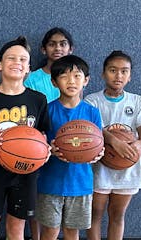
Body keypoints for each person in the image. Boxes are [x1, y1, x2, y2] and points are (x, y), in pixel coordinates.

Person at [0, 36, 50, 240]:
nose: (17, 63)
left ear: (28, 68)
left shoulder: (38, 100)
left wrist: (44, 150)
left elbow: (43, 135)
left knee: (16, 228)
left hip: (26, 172)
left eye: (23, 60)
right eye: (11, 58)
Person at [35, 55, 103, 240]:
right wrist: (49, 149)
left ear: (86, 80)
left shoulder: (92, 112)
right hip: (51, 182)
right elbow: (38, 144)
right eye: (64, 76)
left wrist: (97, 153)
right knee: (49, 231)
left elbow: (98, 144)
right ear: (54, 82)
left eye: (76, 76)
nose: (71, 81)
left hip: (80, 183)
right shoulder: (47, 110)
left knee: (72, 232)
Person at [85, 51, 141, 240]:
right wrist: (114, 141)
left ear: (130, 76)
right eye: (113, 70)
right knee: (95, 214)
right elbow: (93, 128)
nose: (118, 75)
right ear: (103, 73)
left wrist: (139, 144)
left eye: (124, 71)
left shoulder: (137, 101)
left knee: (117, 215)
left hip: (128, 165)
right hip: (100, 166)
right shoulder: (92, 100)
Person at [24, 27, 75, 103]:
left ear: (70, 49)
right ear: (43, 49)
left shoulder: (76, 78)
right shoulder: (31, 79)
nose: (58, 48)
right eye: (52, 44)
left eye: (63, 44)